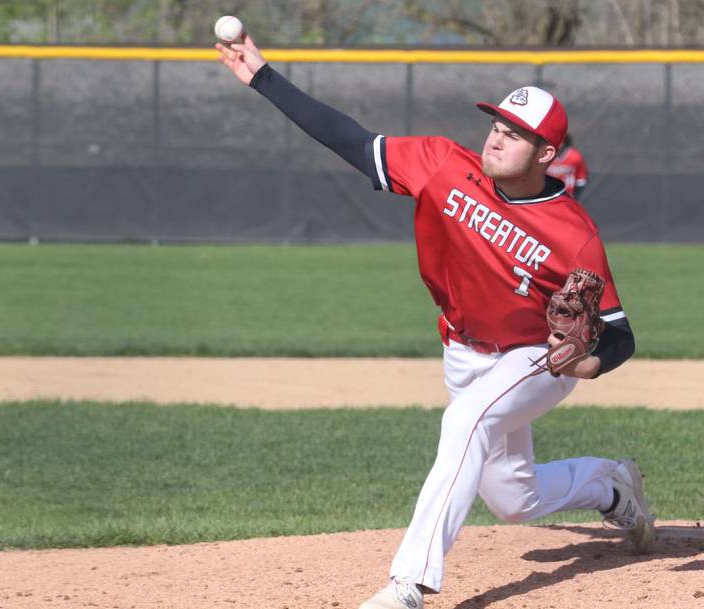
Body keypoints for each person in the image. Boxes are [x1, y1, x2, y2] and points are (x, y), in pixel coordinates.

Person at [216, 32, 653, 609]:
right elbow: (350, 139)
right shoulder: (443, 166)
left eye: (514, 133)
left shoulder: (574, 233)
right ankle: (611, 484)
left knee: (464, 421)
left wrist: (589, 361)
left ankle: (409, 583)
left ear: (546, 154)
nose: (496, 137)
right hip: (463, 350)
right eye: (496, 125)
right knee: (512, 498)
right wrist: (264, 77)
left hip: (535, 356)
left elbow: (619, 331)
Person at [546, 133, 589, 199]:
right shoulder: (544, 157)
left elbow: (580, 181)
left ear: (565, 142)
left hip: (568, 196)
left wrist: (575, 198)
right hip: (548, 196)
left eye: (559, 142)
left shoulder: (575, 157)